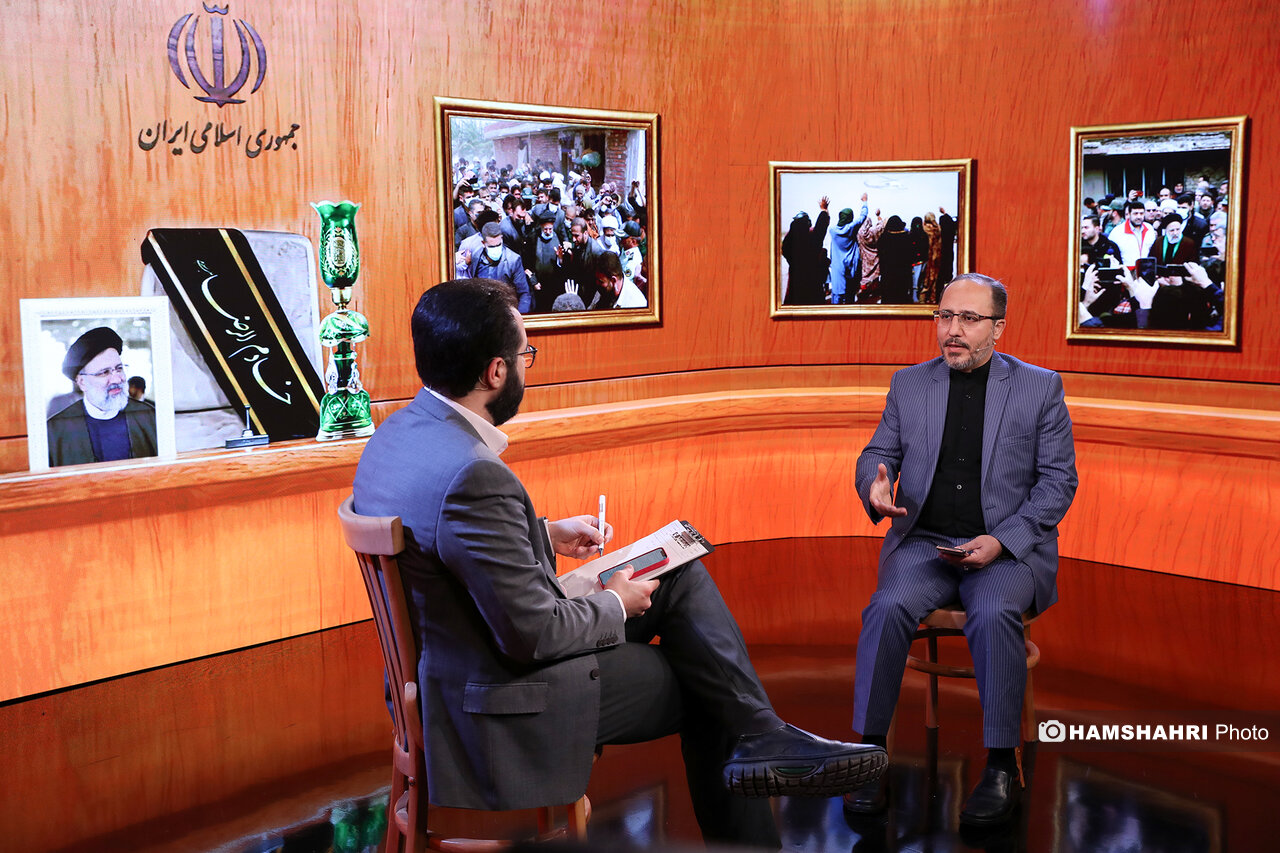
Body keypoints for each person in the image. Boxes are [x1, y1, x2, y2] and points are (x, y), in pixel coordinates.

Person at [351, 279, 886, 848]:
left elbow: (441, 539)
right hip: (493, 705)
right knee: (707, 688)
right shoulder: (474, 475)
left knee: (677, 573)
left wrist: (544, 532)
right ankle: (759, 756)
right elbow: (532, 635)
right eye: (526, 354)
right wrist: (615, 602)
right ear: (496, 372)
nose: (528, 365)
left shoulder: (398, 436)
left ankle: (765, 733)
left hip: (443, 674)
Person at [843, 274, 1077, 826]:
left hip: (1004, 546)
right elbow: (878, 452)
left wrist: (1002, 540)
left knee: (993, 613)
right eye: (945, 316)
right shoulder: (909, 384)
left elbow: (1057, 482)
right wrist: (874, 485)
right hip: (925, 542)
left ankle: (999, 764)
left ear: (998, 328)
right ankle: (869, 753)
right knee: (886, 608)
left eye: (969, 319)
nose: (953, 330)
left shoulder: (1039, 387)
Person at [47, 327, 158, 467]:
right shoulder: (55, 430)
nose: (117, 379)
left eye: (119, 369)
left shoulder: (148, 416)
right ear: (82, 382)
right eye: (104, 372)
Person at [456, 223, 532, 313]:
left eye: (498, 245)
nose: (496, 249)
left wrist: (518, 317)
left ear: (502, 239)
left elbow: (524, 294)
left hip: (504, 312)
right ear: (483, 243)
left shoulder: (513, 260)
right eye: (491, 246)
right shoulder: (475, 256)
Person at [781, 198, 831, 305]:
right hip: (813, 282)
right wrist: (824, 209)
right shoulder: (812, 239)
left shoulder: (788, 243)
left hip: (795, 283)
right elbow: (821, 226)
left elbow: (784, 249)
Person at [828, 196, 869, 305]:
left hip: (838, 268)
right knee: (849, 297)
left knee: (837, 296)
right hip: (851, 266)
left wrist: (825, 209)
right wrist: (865, 202)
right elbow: (863, 216)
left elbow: (825, 221)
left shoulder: (832, 231)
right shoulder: (851, 228)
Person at [876, 216, 914, 305]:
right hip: (903, 274)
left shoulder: (884, 238)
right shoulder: (907, 238)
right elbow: (911, 255)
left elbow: (880, 253)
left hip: (888, 274)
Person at [1109, 200, 1156, 268]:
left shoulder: (1149, 229)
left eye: (1141, 213)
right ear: (1129, 214)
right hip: (1126, 270)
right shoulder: (1117, 231)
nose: (1139, 217)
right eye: (1135, 213)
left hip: (1146, 270)